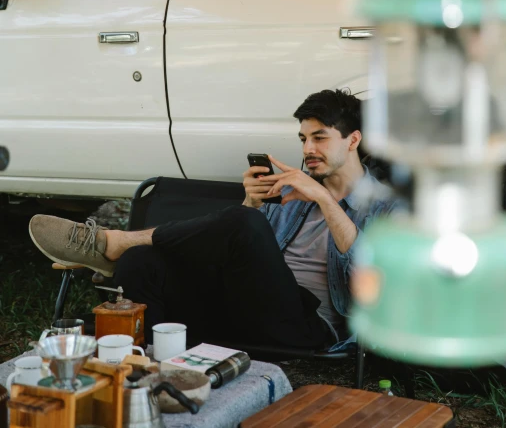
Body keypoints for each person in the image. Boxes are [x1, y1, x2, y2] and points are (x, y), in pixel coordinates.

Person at [29, 90, 397, 352]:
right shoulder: (288, 192)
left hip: (306, 325)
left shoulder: (386, 206)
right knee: (143, 262)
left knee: (242, 224)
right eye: (303, 138)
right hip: (243, 309)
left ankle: (115, 241)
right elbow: (243, 254)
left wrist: (323, 199)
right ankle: (143, 364)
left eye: (319, 138)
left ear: (353, 140)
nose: (306, 150)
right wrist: (252, 203)